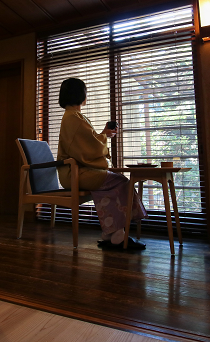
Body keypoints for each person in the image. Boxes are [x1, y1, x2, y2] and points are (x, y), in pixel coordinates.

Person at [56, 77, 147, 250]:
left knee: (111, 183)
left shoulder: (72, 117)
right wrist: (104, 137)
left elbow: (86, 144)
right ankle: (118, 235)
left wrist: (104, 134)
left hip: (75, 171)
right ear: (81, 95)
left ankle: (110, 233)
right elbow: (90, 148)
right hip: (75, 173)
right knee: (120, 181)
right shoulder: (73, 118)